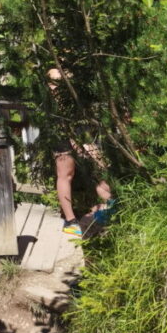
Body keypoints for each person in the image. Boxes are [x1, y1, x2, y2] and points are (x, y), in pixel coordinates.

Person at [47, 68, 113, 238]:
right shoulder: (54, 75)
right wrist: (71, 138)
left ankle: (111, 202)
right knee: (66, 173)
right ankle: (70, 221)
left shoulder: (69, 68)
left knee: (101, 165)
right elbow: (58, 109)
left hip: (79, 126)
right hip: (61, 131)